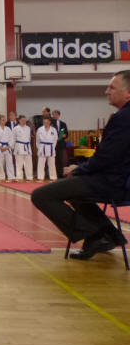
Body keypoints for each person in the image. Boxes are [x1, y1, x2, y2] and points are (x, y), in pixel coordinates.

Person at [31, 70, 130, 260]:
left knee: (41, 195)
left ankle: (95, 235)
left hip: (113, 182)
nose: (107, 91)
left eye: (112, 87)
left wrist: (79, 169)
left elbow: (106, 157)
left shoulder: (123, 118)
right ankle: (109, 234)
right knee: (73, 189)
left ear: (128, 92)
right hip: (119, 179)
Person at [0, 114, 14, 181]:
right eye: (2, 120)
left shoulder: (8, 129)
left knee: (9, 162)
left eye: (5, 120)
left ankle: (11, 177)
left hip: (7, 147)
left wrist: (8, 146)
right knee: (0, 163)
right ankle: (1, 177)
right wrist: (0, 146)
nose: (4, 121)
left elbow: (11, 138)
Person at [36, 116, 58, 181]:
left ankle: (53, 177)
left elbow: (55, 139)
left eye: (47, 122)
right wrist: (39, 148)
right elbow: (37, 140)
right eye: (44, 122)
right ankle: (40, 177)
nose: (45, 123)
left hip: (50, 147)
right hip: (42, 147)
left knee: (52, 163)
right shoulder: (40, 129)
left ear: (50, 122)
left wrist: (52, 147)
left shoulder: (53, 130)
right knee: (41, 163)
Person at [12, 115, 33, 181]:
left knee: (28, 163)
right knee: (19, 163)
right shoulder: (15, 128)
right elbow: (13, 139)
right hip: (19, 146)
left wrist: (28, 145)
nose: (24, 121)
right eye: (22, 120)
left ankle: (29, 176)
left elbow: (29, 138)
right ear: (19, 120)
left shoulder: (28, 128)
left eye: (25, 120)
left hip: (27, 146)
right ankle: (19, 177)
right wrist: (13, 148)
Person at [52, 109, 69, 178]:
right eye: (54, 115)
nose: (55, 116)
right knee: (52, 160)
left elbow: (66, 134)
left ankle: (60, 174)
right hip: (52, 144)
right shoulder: (51, 123)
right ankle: (51, 174)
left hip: (60, 144)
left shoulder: (63, 124)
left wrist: (63, 136)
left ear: (59, 115)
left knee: (60, 159)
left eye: (56, 115)